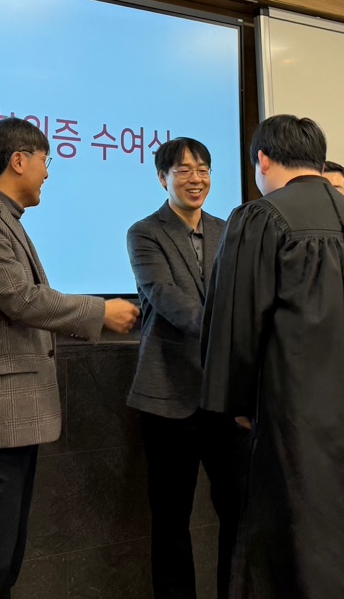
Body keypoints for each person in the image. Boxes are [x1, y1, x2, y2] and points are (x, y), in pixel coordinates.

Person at [200, 115, 344, 599]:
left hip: (298, 414)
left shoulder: (260, 217)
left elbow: (238, 320)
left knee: (302, 533)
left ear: (263, 160)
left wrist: (236, 402)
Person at [0, 117, 139, 599]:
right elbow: (23, 299)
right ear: (19, 160)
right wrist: (100, 311)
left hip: (11, 418)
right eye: (46, 161)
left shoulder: (3, 218)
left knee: (3, 562)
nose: (48, 173)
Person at [126, 137, 246, 599]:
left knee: (239, 511)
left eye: (203, 170)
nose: (196, 179)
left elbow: (244, 295)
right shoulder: (144, 232)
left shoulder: (228, 230)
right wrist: (229, 329)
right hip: (168, 396)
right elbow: (166, 296)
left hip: (225, 397)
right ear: (163, 178)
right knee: (171, 520)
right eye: (183, 170)